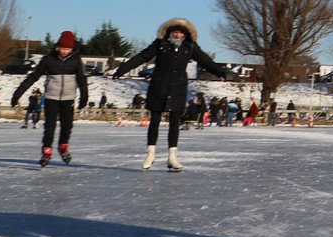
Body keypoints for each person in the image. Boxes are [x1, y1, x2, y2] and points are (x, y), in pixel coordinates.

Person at [113, 18, 230, 171]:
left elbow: (205, 61)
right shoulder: (160, 44)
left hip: (178, 88)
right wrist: (121, 71)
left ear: (185, 35)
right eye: (175, 32)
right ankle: (150, 154)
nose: (177, 35)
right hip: (159, 86)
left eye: (181, 33)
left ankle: (172, 157)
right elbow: (141, 57)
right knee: (155, 120)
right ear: (170, 33)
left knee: (175, 122)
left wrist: (220, 72)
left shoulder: (190, 47)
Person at [12, 31, 89, 167]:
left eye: (68, 49)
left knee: (67, 126)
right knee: (49, 127)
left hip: (68, 98)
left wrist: (84, 97)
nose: (65, 51)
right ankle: (46, 151)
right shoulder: (48, 60)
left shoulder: (76, 61)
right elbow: (33, 77)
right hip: (51, 98)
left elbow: (82, 80)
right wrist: (17, 94)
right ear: (58, 47)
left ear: (72, 49)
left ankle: (63, 146)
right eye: (63, 48)